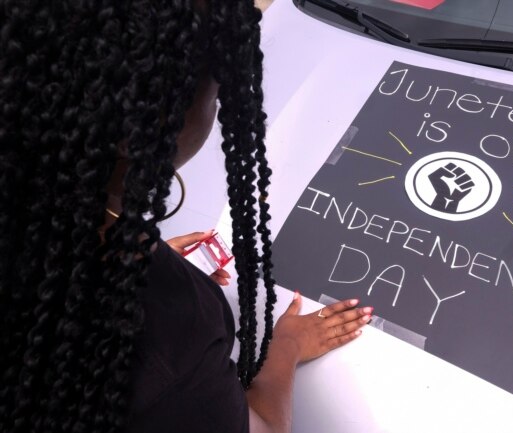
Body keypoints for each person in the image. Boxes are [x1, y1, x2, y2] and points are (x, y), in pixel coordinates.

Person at [0, 1, 372, 432]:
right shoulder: (165, 333)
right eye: (214, 96)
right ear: (145, 126)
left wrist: (132, 250)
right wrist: (285, 348)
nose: (215, 116)